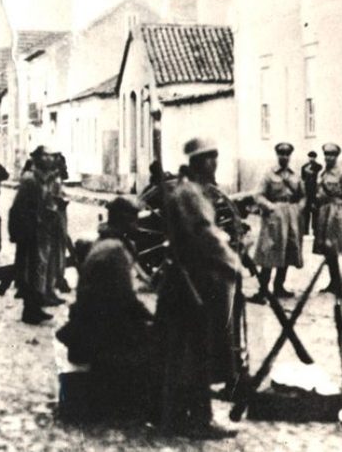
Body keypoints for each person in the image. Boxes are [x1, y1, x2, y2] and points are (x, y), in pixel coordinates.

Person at [156, 138, 241, 439]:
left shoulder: (191, 190)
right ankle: (197, 419)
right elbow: (205, 234)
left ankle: (182, 415)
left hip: (189, 278)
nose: (214, 163)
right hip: (193, 280)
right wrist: (233, 261)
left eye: (215, 156)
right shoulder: (190, 193)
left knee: (188, 350)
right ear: (195, 163)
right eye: (207, 158)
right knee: (196, 350)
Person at [55, 197, 159, 422]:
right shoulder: (115, 251)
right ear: (123, 222)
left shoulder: (105, 243)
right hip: (101, 328)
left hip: (92, 320)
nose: (136, 225)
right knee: (157, 340)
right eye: (133, 220)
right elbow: (126, 300)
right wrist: (152, 319)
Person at [9, 146, 64, 324]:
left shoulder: (42, 179)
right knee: (32, 270)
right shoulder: (30, 179)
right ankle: (30, 310)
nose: (50, 159)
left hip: (41, 230)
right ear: (37, 158)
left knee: (39, 269)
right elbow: (18, 207)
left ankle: (35, 307)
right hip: (31, 230)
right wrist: (17, 231)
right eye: (45, 156)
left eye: (51, 156)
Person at [249, 142, 305, 303]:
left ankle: (279, 287)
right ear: (277, 155)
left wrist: (298, 208)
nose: (284, 157)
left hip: (290, 217)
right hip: (273, 219)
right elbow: (258, 195)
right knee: (269, 252)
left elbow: (303, 196)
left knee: (287, 251)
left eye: (287, 154)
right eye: (281, 154)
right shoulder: (269, 174)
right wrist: (270, 207)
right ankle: (262, 290)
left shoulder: (295, 175)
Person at [313, 143, 342, 294]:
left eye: (332, 155)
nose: (329, 158)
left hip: (337, 214)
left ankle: (340, 282)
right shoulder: (322, 173)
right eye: (326, 155)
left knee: (337, 247)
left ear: (337, 157)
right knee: (327, 249)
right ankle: (333, 282)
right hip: (324, 213)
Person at [300, 151, 322, 235]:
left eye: (313, 157)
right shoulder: (304, 167)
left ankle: (315, 229)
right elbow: (303, 179)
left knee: (315, 211)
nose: (311, 159)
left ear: (315, 158)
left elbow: (317, 174)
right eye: (310, 157)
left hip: (315, 191)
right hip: (307, 192)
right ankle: (305, 230)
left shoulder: (318, 166)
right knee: (306, 211)